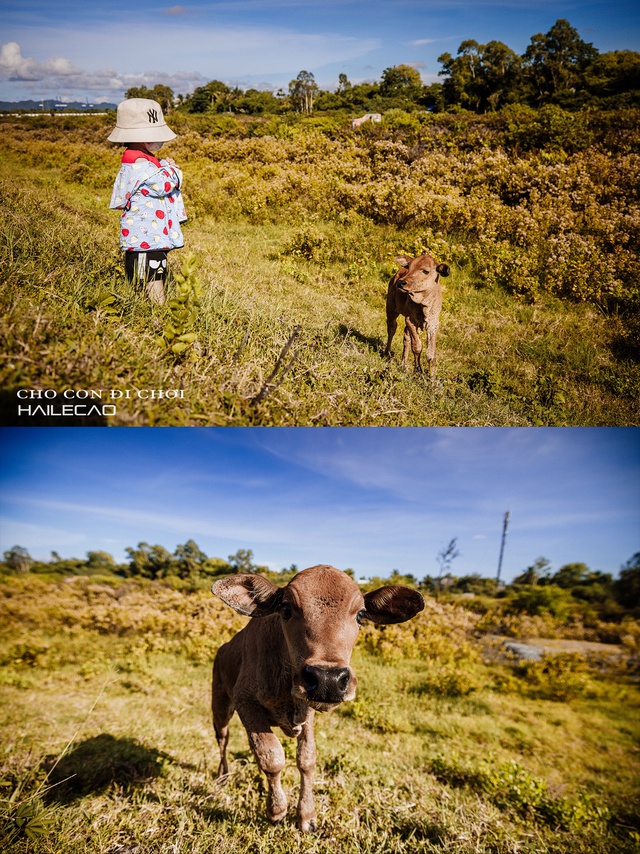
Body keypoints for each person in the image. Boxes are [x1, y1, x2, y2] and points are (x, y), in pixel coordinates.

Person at [108, 98, 187, 304]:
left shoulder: (141, 159)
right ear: (145, 138)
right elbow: (165, 184)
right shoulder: (139, 163)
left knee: (147, 270)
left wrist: (162, 165)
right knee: (154, 272)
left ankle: (140, 302)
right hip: (147, 235)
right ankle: (156, 308)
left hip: (147, 232)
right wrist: (173, 170)